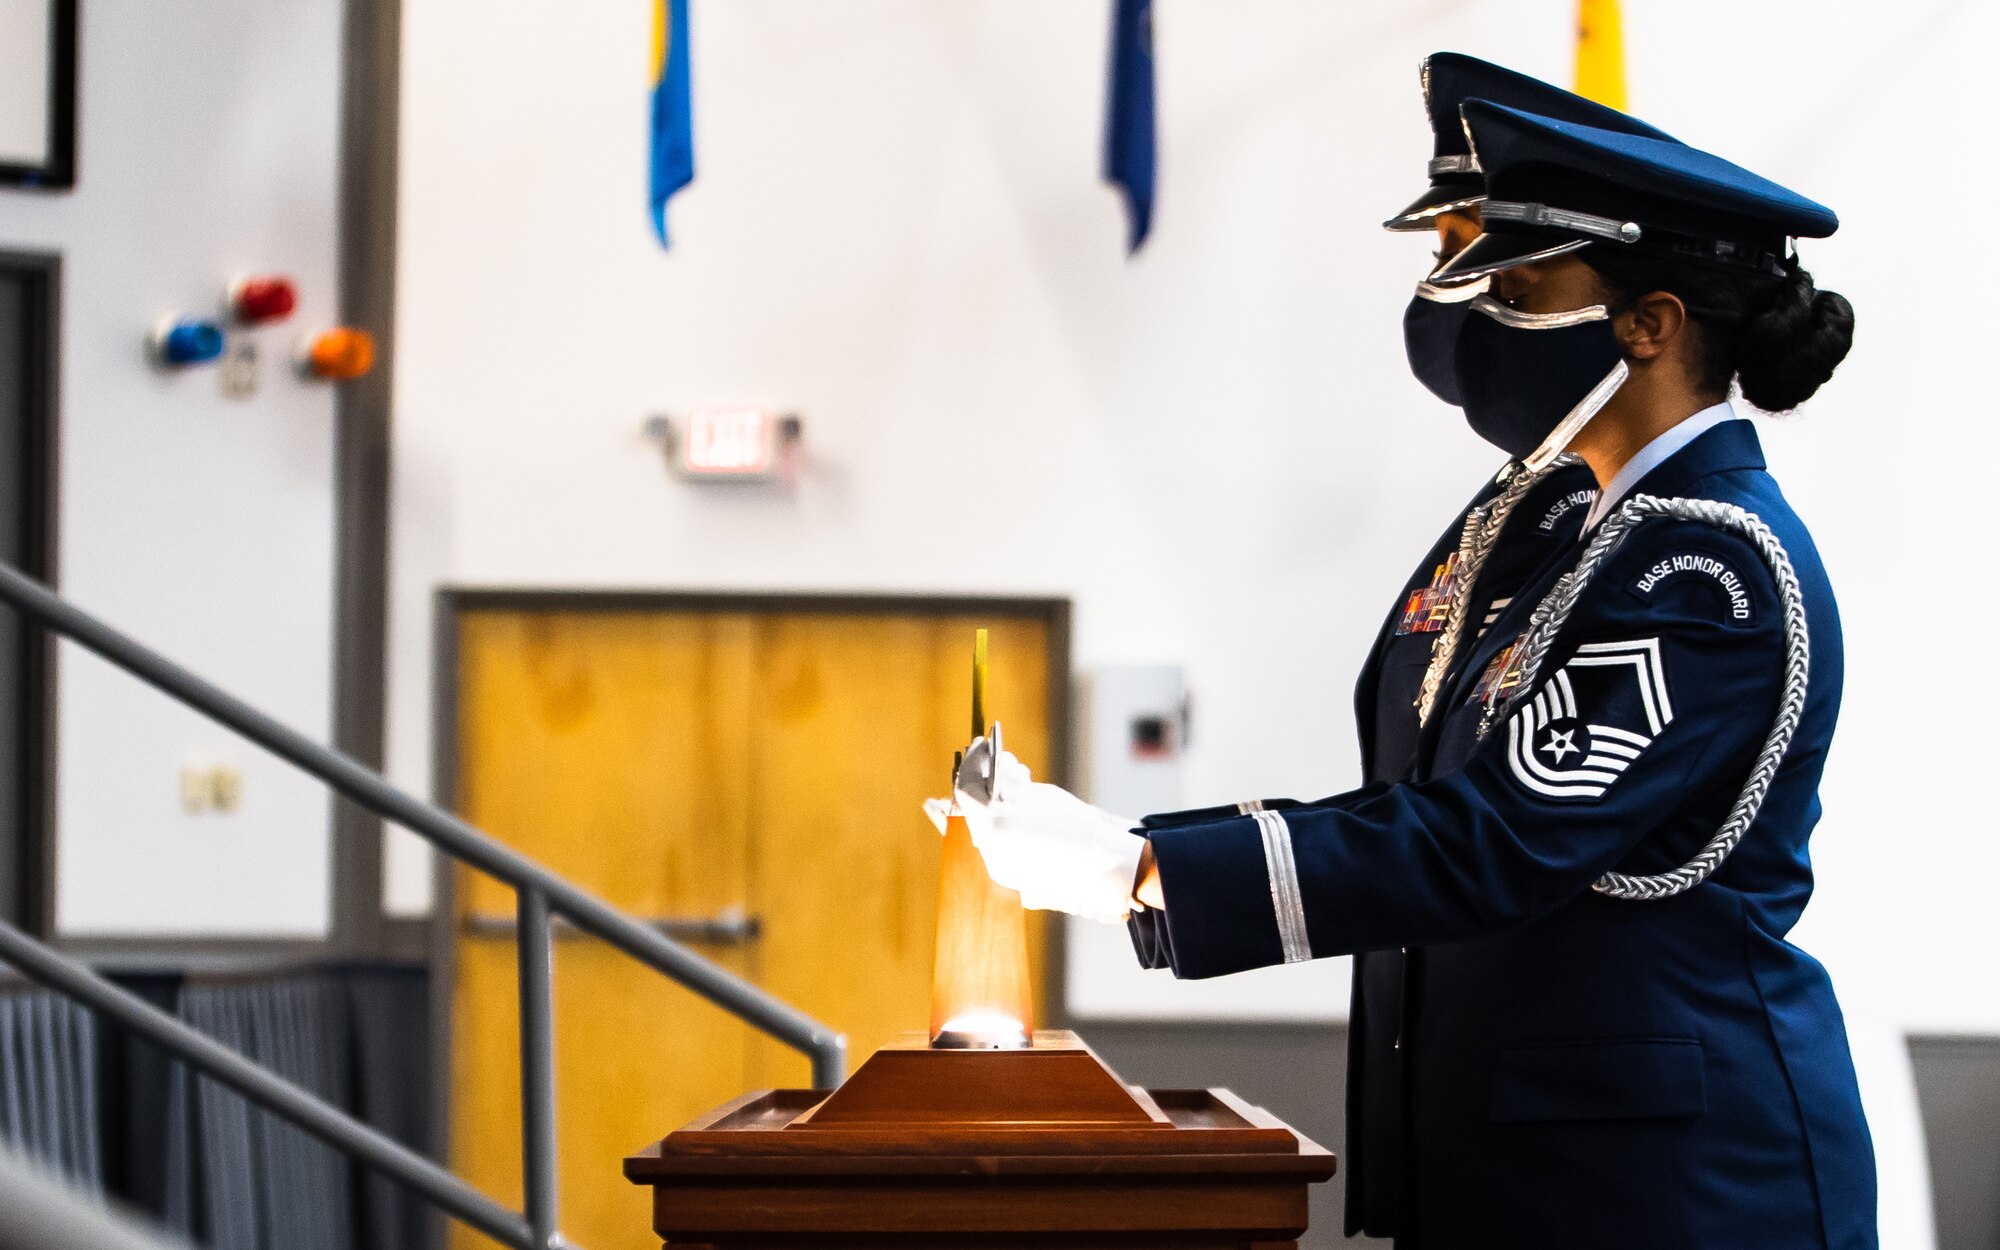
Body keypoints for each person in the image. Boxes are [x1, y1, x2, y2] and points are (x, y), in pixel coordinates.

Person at [958, 97, 1873, 1248]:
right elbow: (1415, 805)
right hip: (1518, 1167)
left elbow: (1491, 839)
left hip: (1666, 1186)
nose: (1471, 316)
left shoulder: (1705, 563)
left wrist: (1140, 869)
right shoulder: (1548, 522)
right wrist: (1130, 849)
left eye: (1514, 286)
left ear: (1646, 323)